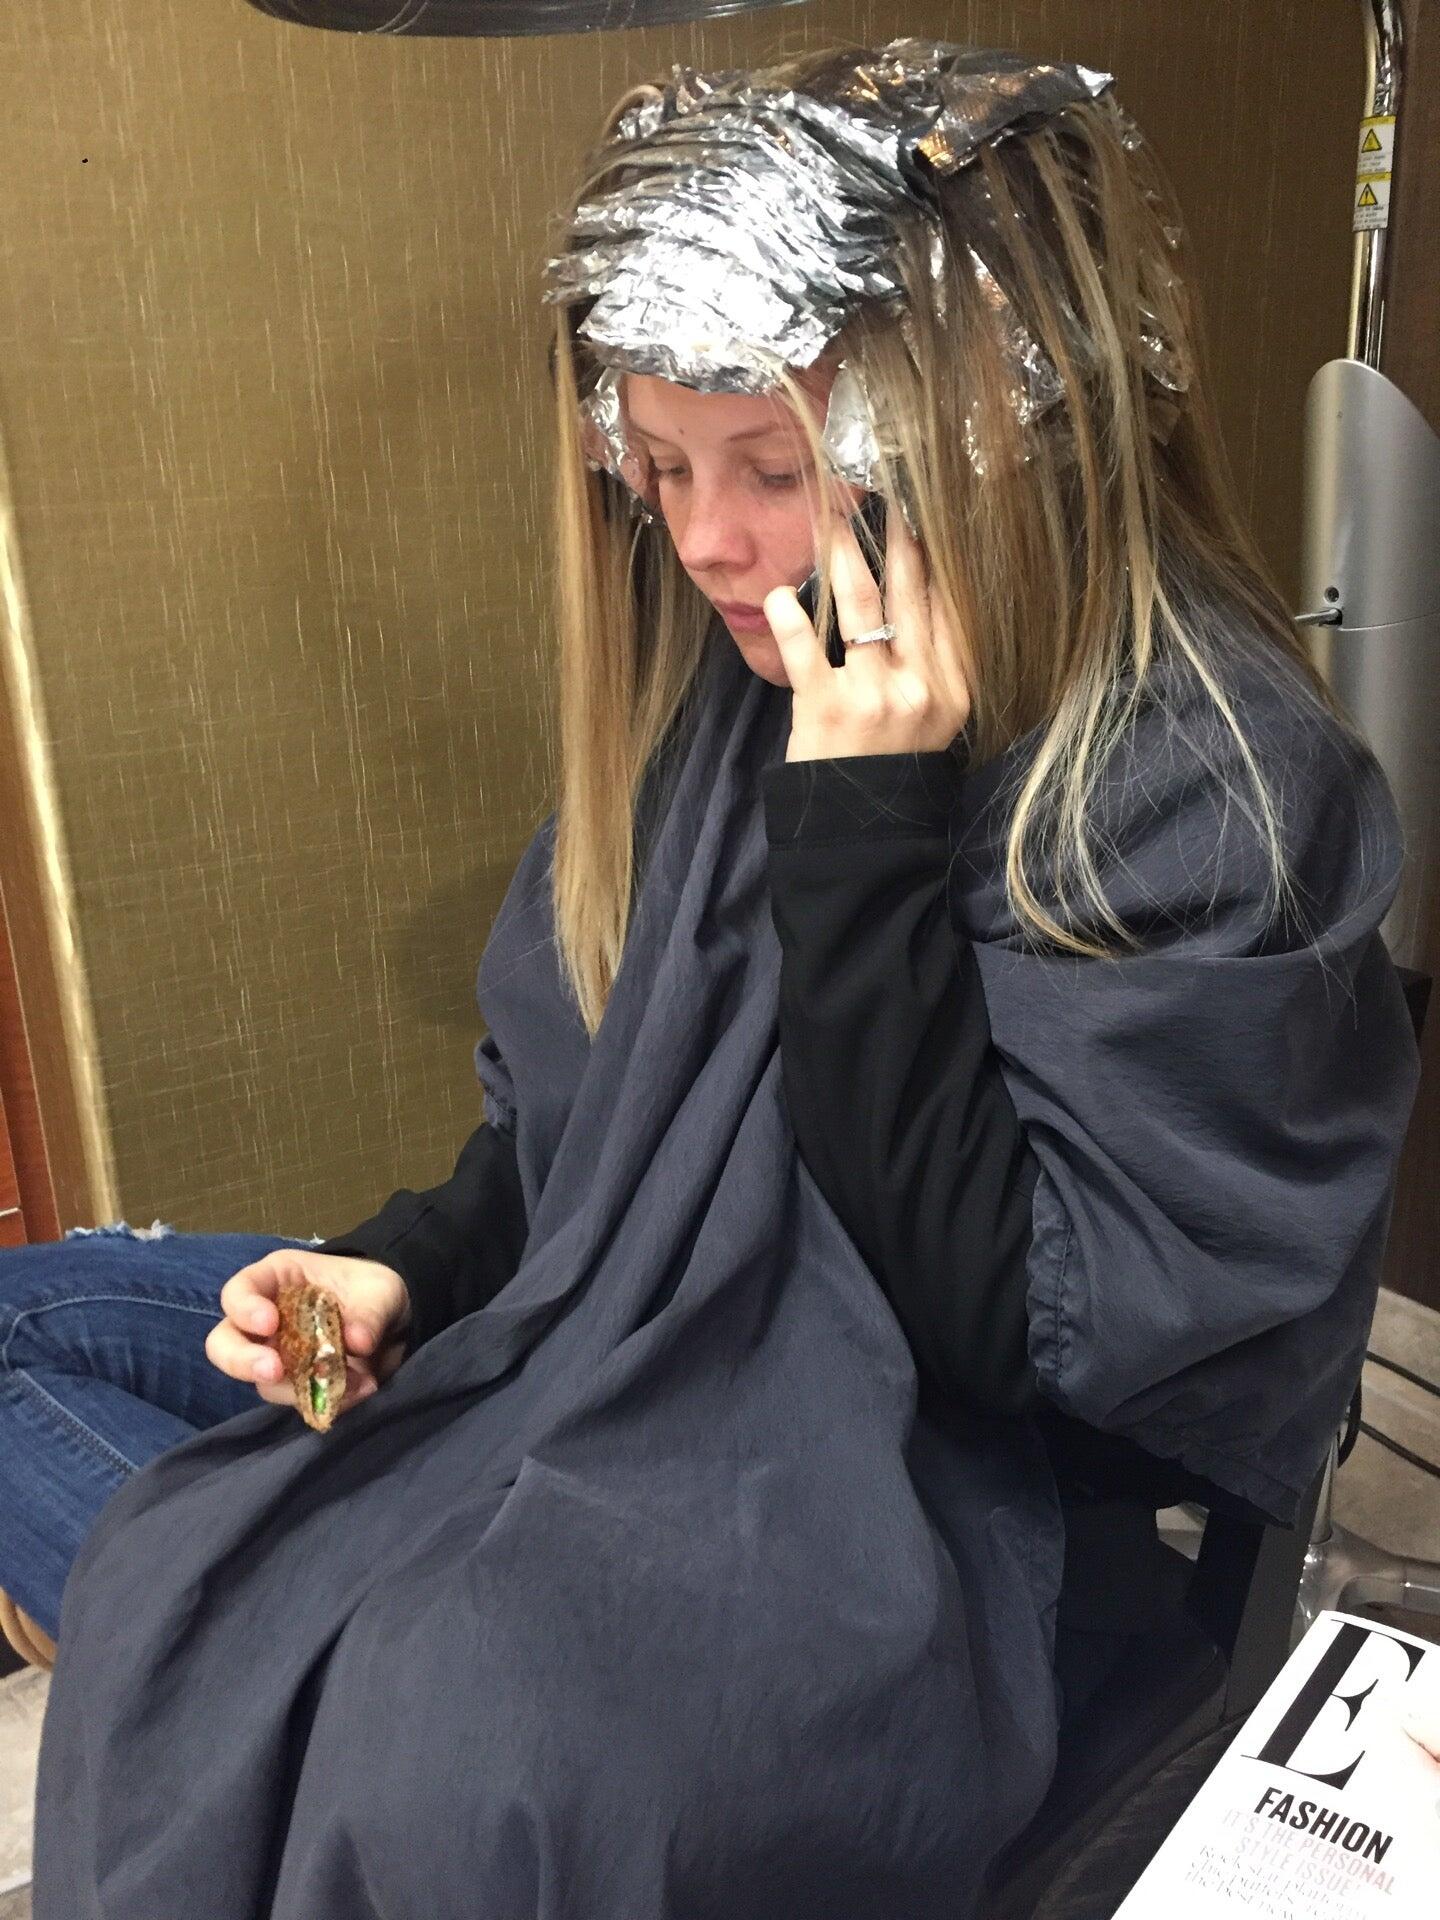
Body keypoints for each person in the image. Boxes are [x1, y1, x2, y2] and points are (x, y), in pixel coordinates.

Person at [8, 39, 1421, 1918]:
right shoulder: (732, 688)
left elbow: (1021, 1351)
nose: (702, 543)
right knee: (36, 1341)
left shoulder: (1203, 782)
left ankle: (291, 1668)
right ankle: (286, 1655)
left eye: (773, 467)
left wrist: (863, 836)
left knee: (413, 1719)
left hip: (936, 1509)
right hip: (613, 1343)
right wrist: (407, 1265)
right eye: (658, 467)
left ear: (1002, 428)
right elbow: (604, 1128)